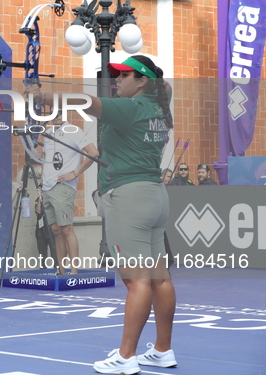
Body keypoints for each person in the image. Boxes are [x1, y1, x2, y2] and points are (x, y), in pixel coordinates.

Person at [28, 54, 177, 374]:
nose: (117, 80)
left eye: (125, 75)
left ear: (142, 82)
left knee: (136, 282)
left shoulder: (129, 109)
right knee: (159, 278)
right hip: (155, 195)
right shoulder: (160, 107)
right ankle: (163, 350)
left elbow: (85, 101)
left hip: (129, 199)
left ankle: (125, 357)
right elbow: (162, 84)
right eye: (117, 75)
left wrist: (42, 98)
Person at [39, 112, 98, 275]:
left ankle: (74, 270)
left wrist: (76, 172)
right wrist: (43, 180)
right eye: (53, 113)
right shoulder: (48, 133)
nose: (56, 116)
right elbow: (45, 156)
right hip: (48, 187)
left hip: (63, 185)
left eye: (60, 113)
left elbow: (93, 153)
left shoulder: (74, 131)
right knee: (56, 230)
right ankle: (60, 269)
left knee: (66, 229)